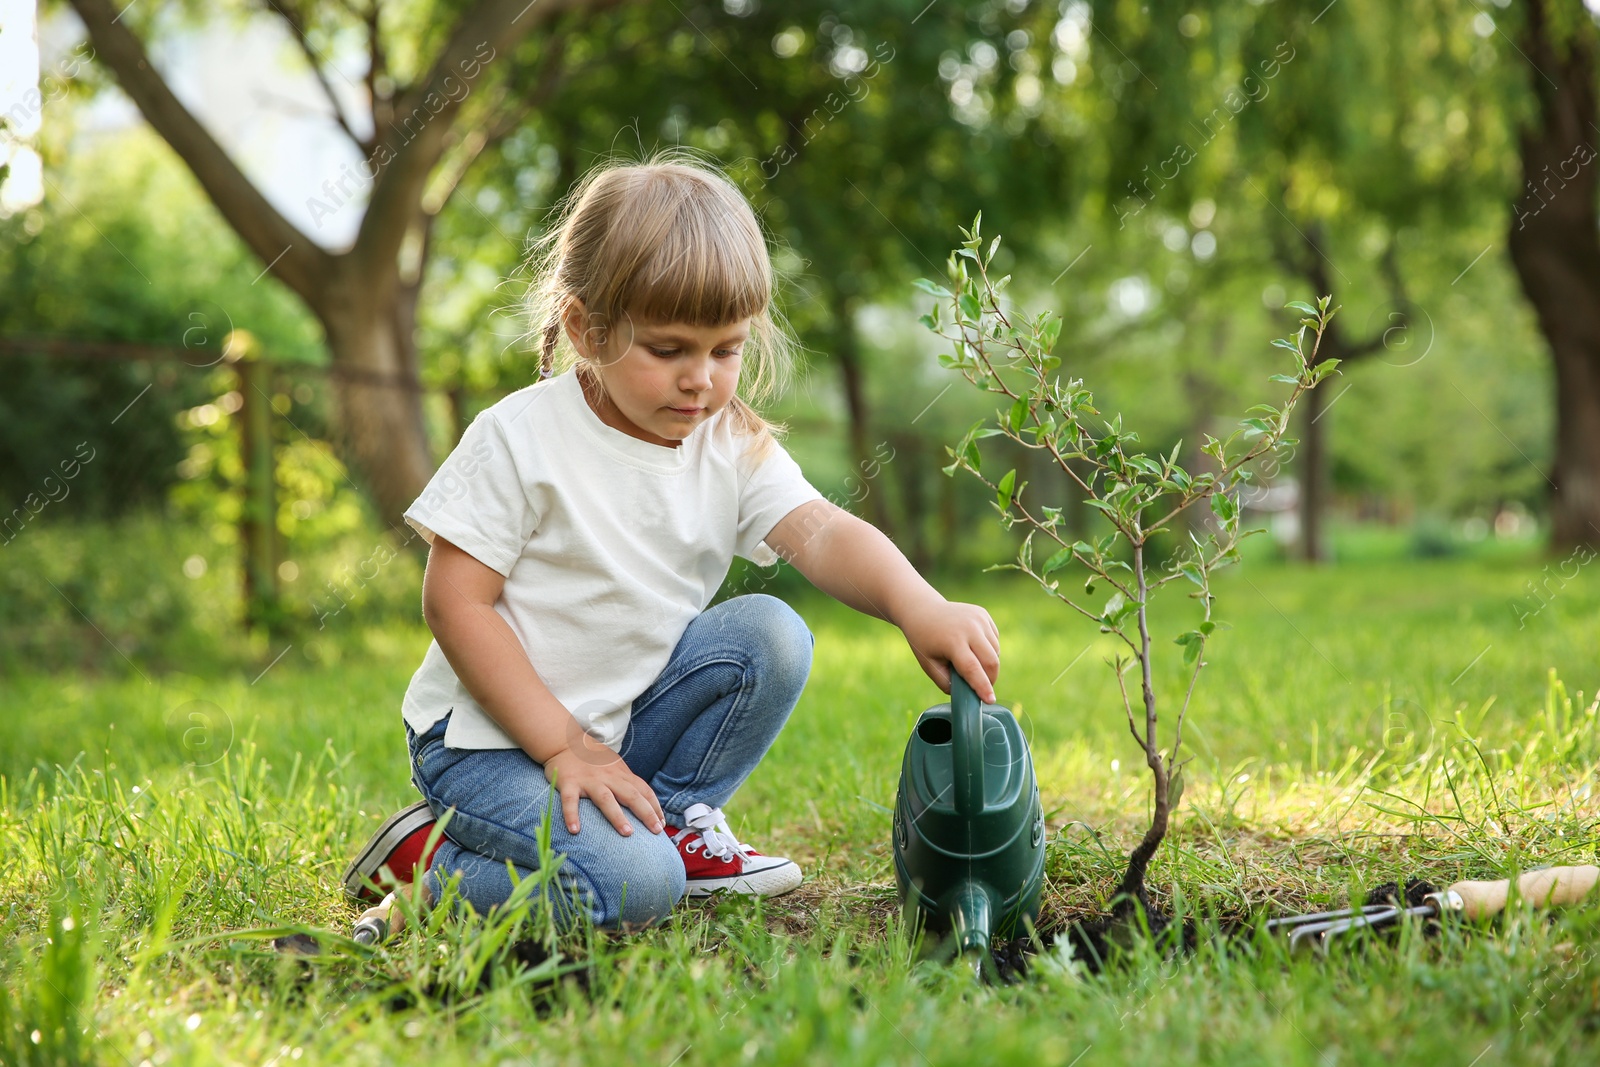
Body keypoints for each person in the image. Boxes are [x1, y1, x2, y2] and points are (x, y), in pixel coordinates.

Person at [341, 154, 1001, 932]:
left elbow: (823, 532)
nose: (702, 380)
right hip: (484, 742)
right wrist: (561, 746)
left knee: (770, 633)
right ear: (587, 328)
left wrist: (918, 605)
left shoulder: (726, 441)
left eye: (726, 350)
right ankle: (427, 867)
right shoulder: (521, 439)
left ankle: (678, 820)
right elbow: (455, 605)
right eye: (669, 349)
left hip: (612, 727)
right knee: (633, 887)